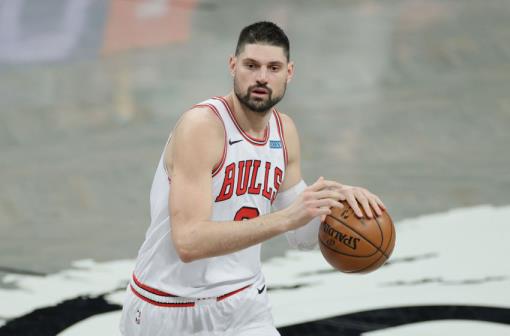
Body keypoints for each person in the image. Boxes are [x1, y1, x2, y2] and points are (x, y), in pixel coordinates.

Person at [119, 21, 386, 336]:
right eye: (251, 65)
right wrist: (285, 219)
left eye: (273, 67)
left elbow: (302, 236)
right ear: (233, 66)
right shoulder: (202, 127)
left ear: (289, 72)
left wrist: (338, 205)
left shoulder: (284, 131)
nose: (262, 76)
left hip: (244, 304)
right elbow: (188, 242)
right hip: (168, 306)